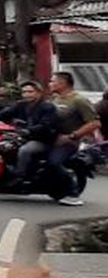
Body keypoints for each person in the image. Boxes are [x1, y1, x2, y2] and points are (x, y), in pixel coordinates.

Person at [0, 80, 62, 186]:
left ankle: (19, 176)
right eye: (24, 92)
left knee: (25, 150)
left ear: (39, 92)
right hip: (22, 136)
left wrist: (29, 130)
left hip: (42, 140)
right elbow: (5, 114)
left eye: (30, 92)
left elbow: (46, 126)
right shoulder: (21, 105)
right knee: (0, 145)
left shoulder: (47, 107)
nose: (27, 95)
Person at [48, 72, 95, 206]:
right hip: (53, 139)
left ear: (62, 83)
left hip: (69, 143)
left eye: (53, 81)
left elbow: (94, 123)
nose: (49, 84)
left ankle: (72, 193)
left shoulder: (79, 100)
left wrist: (72, 136)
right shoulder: (55, 99)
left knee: (54, 163)